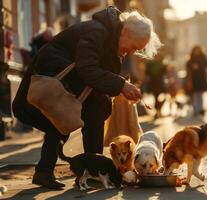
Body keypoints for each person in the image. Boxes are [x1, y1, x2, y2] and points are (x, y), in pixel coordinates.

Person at [12, 6, 161, 189]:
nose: (131, 52)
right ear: (126, 31)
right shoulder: (97, 32)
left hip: (70, 81)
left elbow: (98, 75)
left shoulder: (114, 42)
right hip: (52, 76)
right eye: (134, 46)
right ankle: (46, 172)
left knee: (94, 112)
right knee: (63, 118)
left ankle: (91, 171)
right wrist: (121, 85)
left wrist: (121, 88)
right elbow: (88, 68)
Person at [185, 45, 207, 116]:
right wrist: (193, 67)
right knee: (195, 94)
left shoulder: (203, 57)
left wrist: (199, 66)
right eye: (195, 50)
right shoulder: (191, 59)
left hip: (201, 78)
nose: (196, 52)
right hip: (193, 79)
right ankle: (196, 109)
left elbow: (206, 64)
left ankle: (201, 109)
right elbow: (188, 67)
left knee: (200, 94)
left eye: (198, 50)